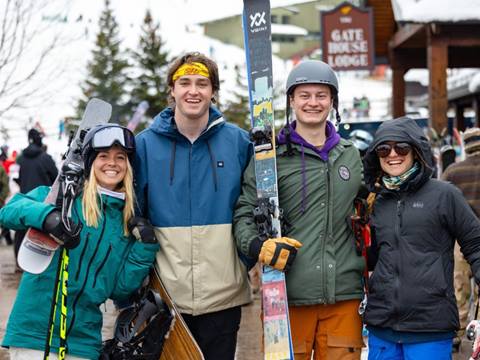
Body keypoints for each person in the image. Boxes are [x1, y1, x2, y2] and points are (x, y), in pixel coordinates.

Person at [234, 59, 365, 360]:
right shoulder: (270, 158)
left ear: (333, 101)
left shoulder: (351, 156)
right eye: (304, 95)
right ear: (291, 100)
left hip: (344, 294)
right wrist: (258, 245)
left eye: (321, 95)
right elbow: (244, 213)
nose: (313, 103)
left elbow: (367, 207)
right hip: (287, 293)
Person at [0, 124, 159, 360]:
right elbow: (9, 211)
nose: (112, 163)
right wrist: (47, 217)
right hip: (35, 334)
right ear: (90, 161)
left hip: (84, 342)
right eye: (103, 156)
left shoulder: (125, 222)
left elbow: (119, 289)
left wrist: (144, 248)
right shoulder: (63, 198)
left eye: (120, 157)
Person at [134, 52, 252, 360]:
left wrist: (244, 259)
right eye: (184, 82)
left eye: (202, 83)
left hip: (223, 295)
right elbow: (132, 212)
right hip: (166, 298)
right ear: (172, 90)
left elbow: (251, 207)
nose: (193, 91)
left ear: (213, 91)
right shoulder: (144, 146)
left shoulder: (239, 143)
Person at [362, 117, 480, 359]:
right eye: (384, 149)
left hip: (430, 328)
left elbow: (475, 243)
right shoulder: (375, 202)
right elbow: (372, 258)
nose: (392, 154)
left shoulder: (444, 194)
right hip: (382, 328)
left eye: (401, 147)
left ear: (416, 151)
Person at [442, 127, 480, 350]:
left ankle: (456, 333)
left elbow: (441, 200)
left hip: (461, 236)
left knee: (459, 285)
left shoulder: (453, 171)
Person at [13, 129, 59, 260]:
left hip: (25, 199)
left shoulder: (20, 158)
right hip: (43, 202)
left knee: (21, 230)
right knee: (41, 233)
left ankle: (18, 262)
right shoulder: (46, 158)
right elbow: (57, 179)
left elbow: (16, 177)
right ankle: (39, 261)